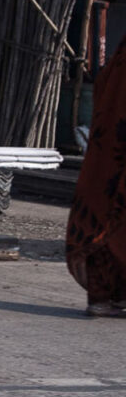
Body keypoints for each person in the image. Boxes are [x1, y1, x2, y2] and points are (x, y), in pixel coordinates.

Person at [67, 52, 126, 316]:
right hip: (114, 153)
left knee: (102, 217)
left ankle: (104, 298)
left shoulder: (118, 59)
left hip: (105, 156)